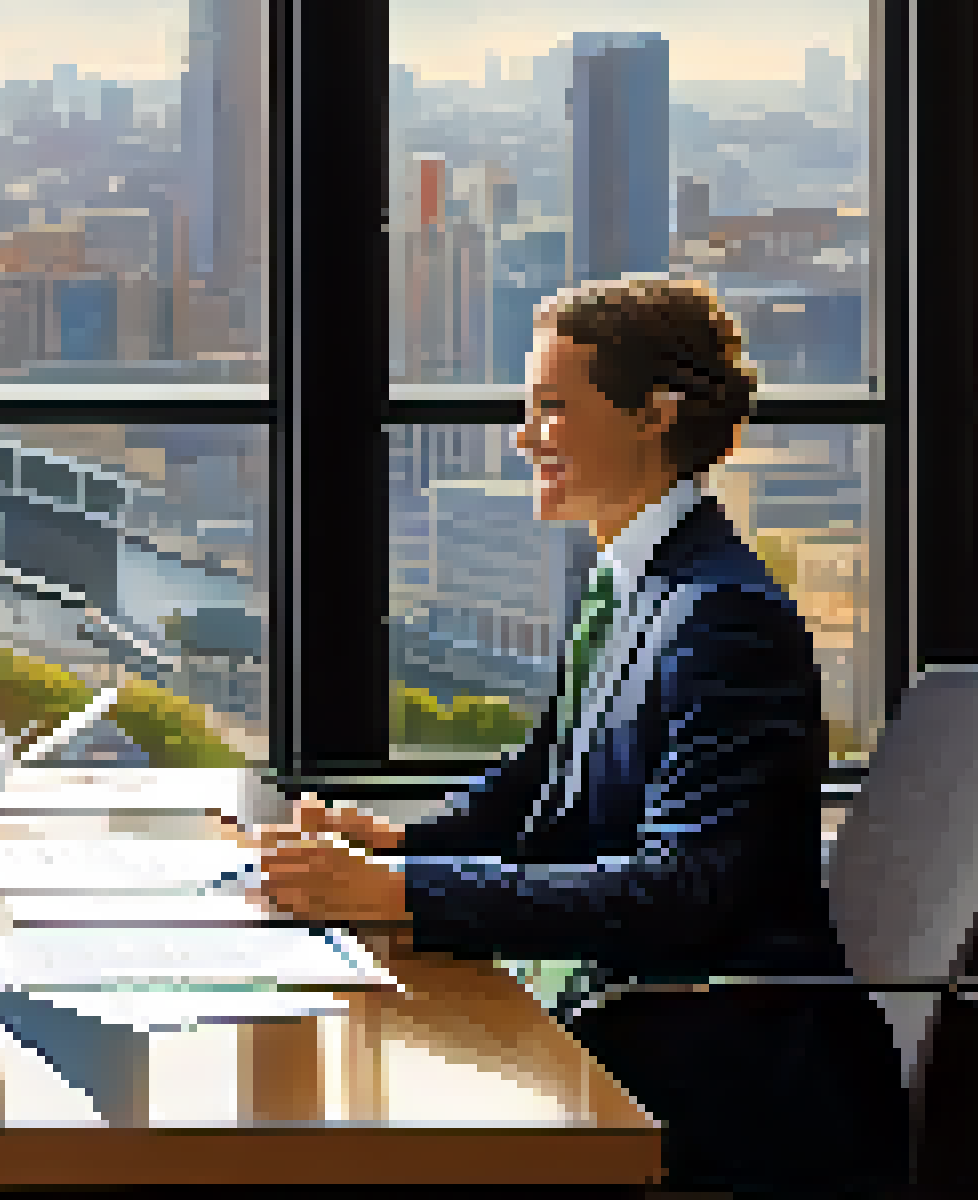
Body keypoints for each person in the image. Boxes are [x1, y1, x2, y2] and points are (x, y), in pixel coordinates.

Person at [252, 277, 908, 1195]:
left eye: (554, 408)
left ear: (655, 415)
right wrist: (400, 844)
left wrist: (403, 890)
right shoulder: (637, 579)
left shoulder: (723, 617)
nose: (526, 439)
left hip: (713, 1069)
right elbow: (549, 774)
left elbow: (684, 892)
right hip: (631, 1019)